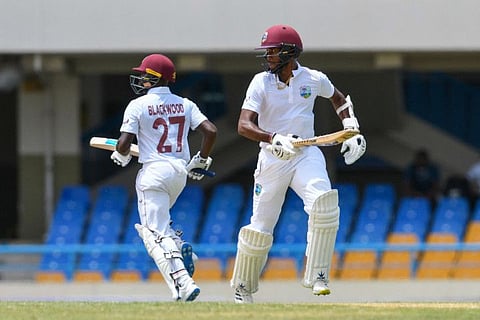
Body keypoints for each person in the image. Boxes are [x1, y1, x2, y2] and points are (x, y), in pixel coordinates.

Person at [230, 25, 367, 303]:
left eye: (272, 51)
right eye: (267, 51)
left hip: (306, 152)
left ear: (290, 52)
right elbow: (244, 125)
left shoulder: (313, 78)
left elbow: (339, 100)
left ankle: (318, 275)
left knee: (324, 204)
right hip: (273, 157)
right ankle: (243, 287)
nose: (268, 56)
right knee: (260, 227)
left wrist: (351, 127)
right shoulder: (261, 82)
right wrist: (272, 138)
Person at [111, 53, 217, 302]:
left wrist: (121, 155)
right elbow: (211, 131)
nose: (142, 79)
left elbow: (124, 143)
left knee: (152, 233)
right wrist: (200, 159)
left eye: (146, 75)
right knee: (162, 226)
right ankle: (180, 250)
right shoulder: (185, 103)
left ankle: (184, 282)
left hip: (153, 173)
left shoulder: (137, 105)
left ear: (155, 78)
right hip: (179, 174)